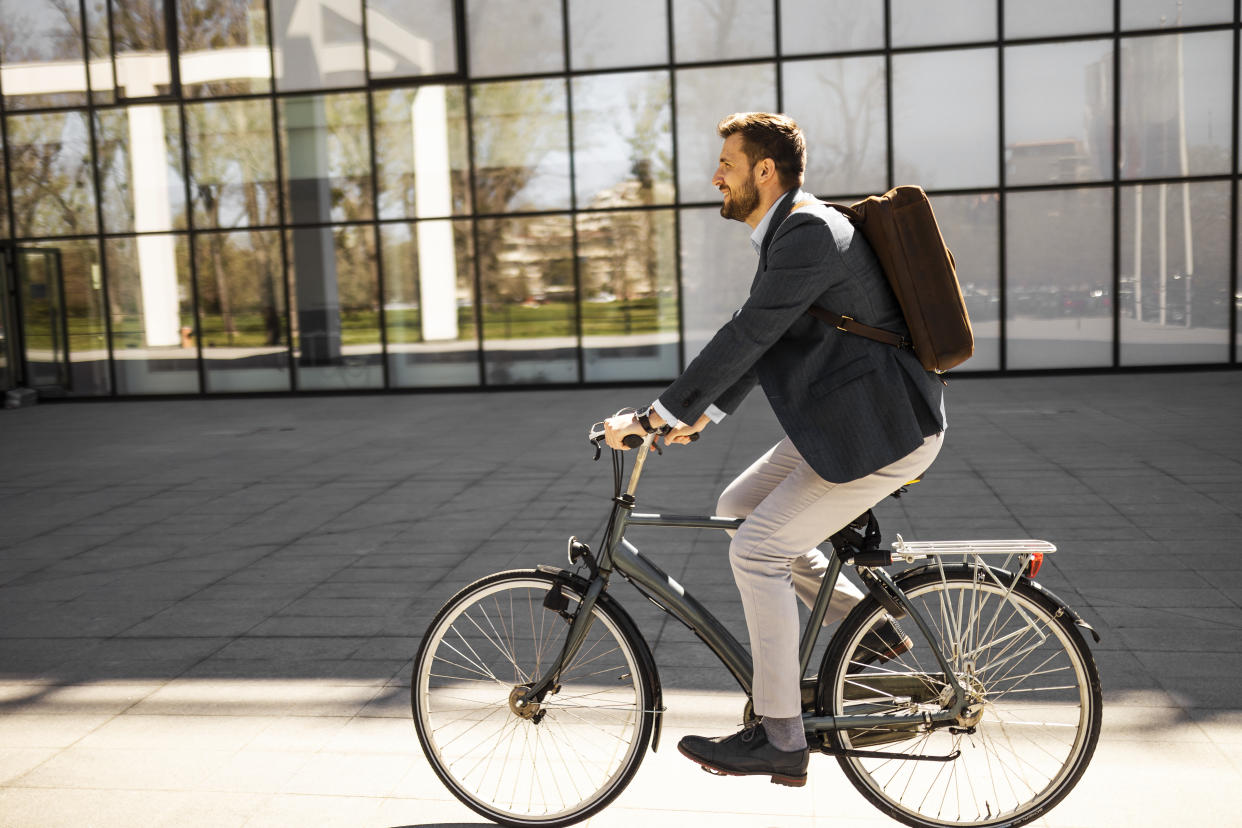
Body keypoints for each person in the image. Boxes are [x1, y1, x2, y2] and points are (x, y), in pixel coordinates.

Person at [602, 112, 946, 787]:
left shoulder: (808, 231)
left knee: (756, 548)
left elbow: (749, 332)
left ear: (765, 171)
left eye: (726, 164)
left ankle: (782, 737)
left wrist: (659, 413)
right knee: (740, 504)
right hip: (855, 418)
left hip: (882, 429)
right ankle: (870, 633)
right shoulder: (793, 231)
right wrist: (701, 416)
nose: (715, 177)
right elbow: (771, 337)